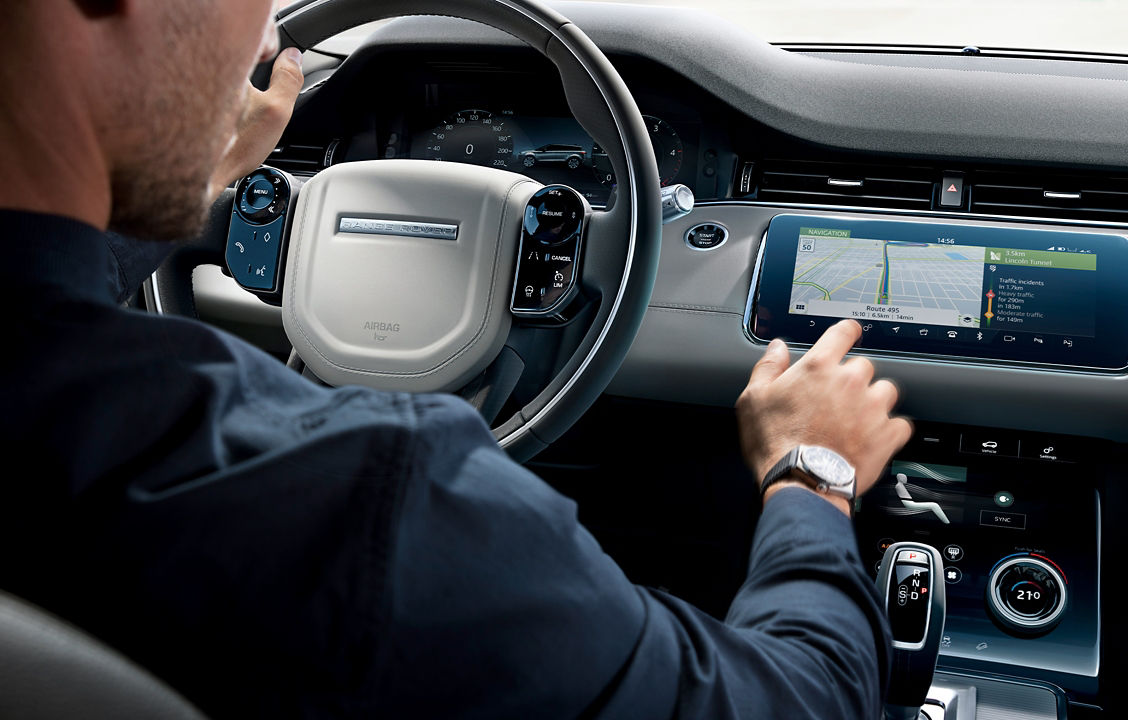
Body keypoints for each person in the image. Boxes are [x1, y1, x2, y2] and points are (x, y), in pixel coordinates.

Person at [0, 1, 912, 717]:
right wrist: (812, 471)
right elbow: (801, 697)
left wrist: (174, 172)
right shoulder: (370, 507)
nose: (270, 33)